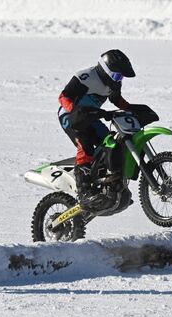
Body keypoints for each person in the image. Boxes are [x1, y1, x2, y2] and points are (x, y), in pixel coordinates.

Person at [58, 49, 135, 209]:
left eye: (121, 77)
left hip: (92, 118)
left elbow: (116, 99)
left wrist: (131, 108)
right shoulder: (86, 77)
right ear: (106, 69)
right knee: (85, 144)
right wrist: (74, 110)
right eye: (117, 76)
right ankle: (84, 192)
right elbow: (63, 96)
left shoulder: (113, 83)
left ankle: (112, 186)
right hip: (70, 117)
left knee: (112, 143)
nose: (119, 80)